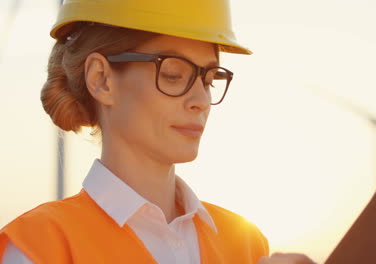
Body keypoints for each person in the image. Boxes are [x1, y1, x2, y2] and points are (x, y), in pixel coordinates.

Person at [0, 0, 316, 263]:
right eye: (174, 74)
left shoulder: (246, 244)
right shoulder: (40, 248)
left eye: (209, 78)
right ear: (102, 80)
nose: (201, 101)